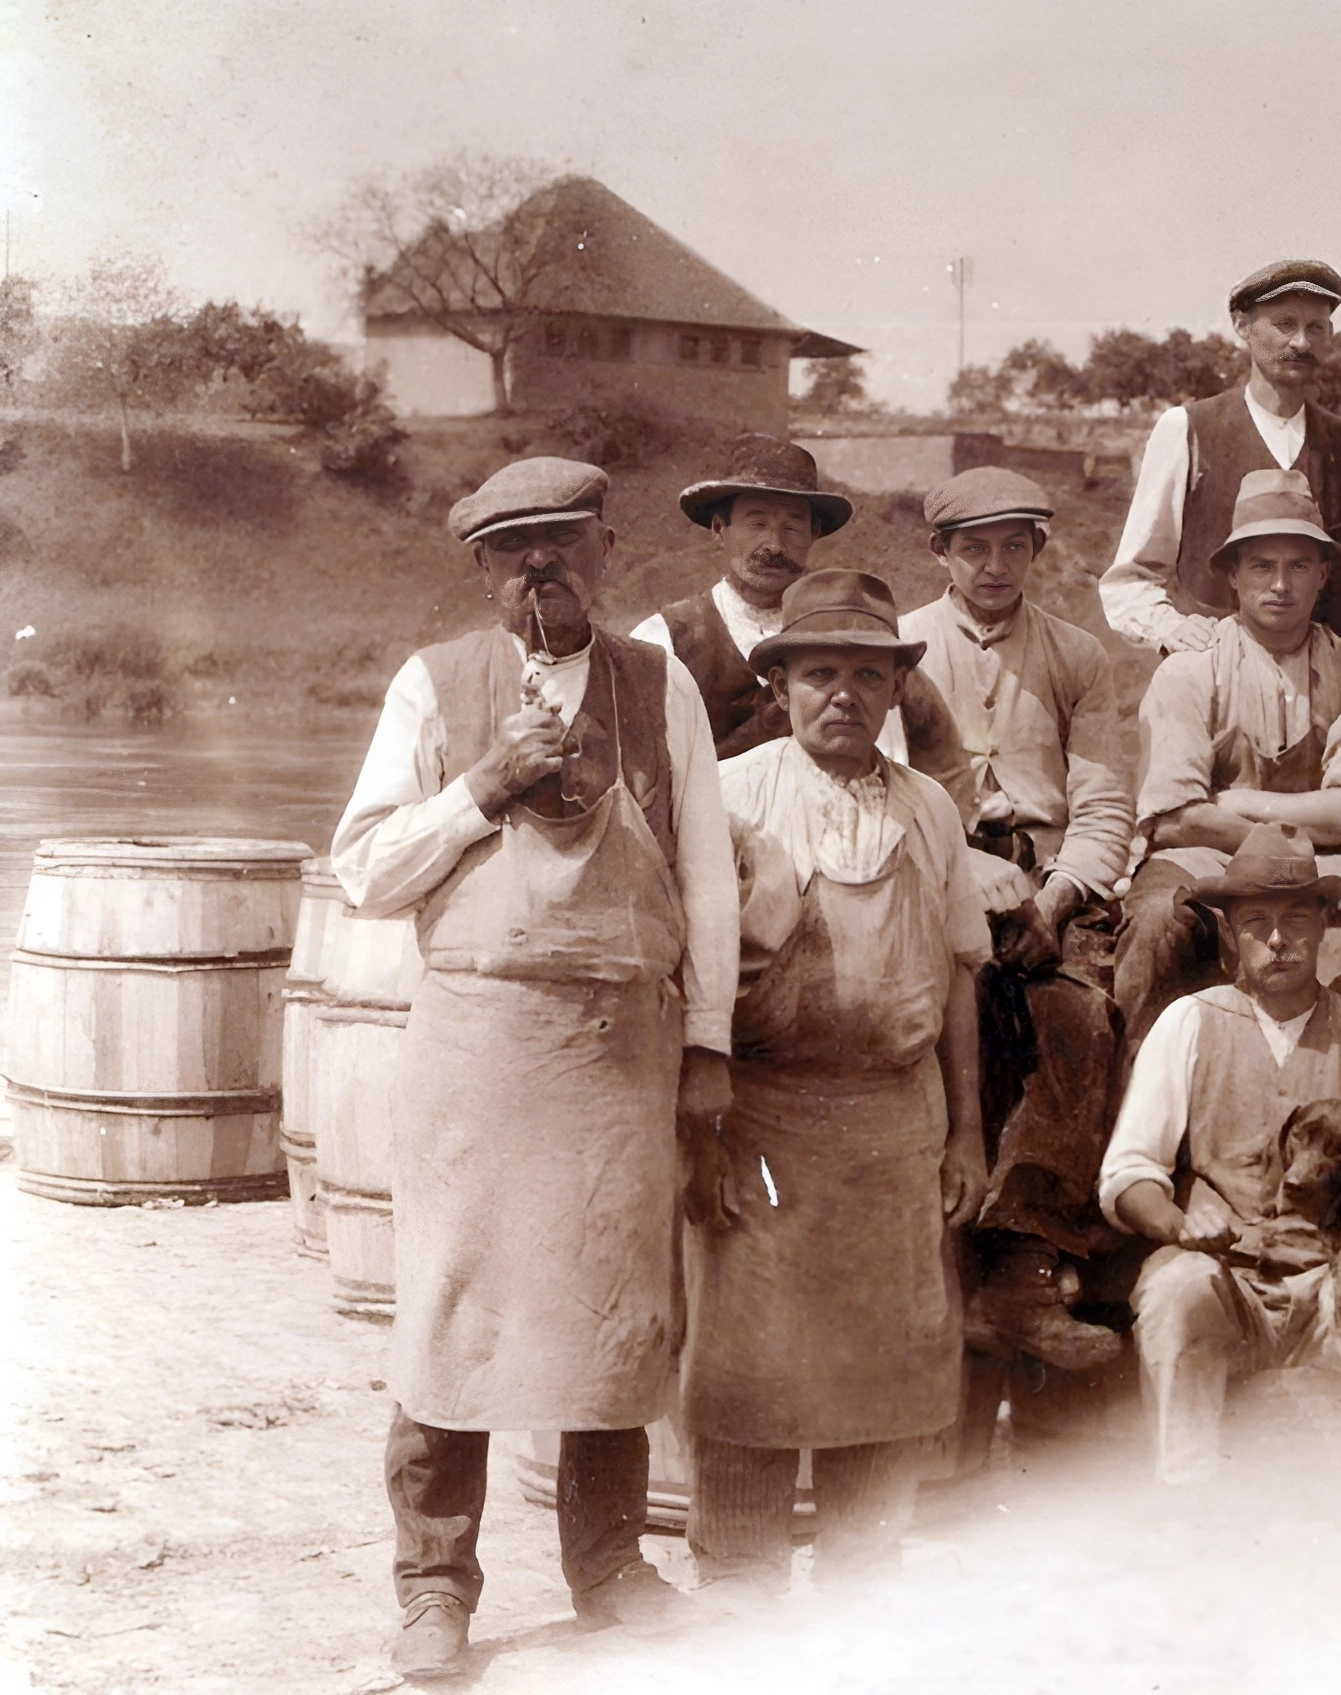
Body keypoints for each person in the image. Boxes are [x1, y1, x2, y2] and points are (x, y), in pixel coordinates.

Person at [332, 458, 737, 1677]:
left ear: (606, 550)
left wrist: (708, 1046)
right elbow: (362, 870)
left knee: (615, 1315)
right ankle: (433, 1583)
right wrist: (481, 788)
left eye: (561, 542)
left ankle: (609, 1564)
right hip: (479, 1042)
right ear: (483, 568)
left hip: (619, 1047)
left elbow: (709, 875)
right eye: (514, 550)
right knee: (450, 1315)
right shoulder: (434, 683)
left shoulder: (661, 685)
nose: (540, 567)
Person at [682, 570, 993, 1592]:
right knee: (750, 1366)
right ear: (779, 683)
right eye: (820, 672)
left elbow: (955, 977)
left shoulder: (931, 809)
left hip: (893, 1128)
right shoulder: (731, 797)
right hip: (763, 1126)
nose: (844, 695)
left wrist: (966, 1134)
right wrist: (701, 1129)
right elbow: (684, 982)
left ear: (899, 687)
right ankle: (741, 1583)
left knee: (887, 1365)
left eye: (869, 673)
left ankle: (864, 1593)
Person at [1096, 823, 1341, 1485]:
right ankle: (1188, 1503)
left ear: (1324, 925)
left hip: (1337, 1280)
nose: (1279, 939)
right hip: (1226, 1278)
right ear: (1229, 933)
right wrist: (1179, 1224)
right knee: (1176, 1291)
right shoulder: (1191, 1022)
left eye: (1296, 919)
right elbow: (1128, 1172)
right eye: (1256, 922)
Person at [1113, 468, 1341, 1098]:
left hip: (1326, 866)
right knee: (1160, 920)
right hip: (1203, 861)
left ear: (1325, 577)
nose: (1280, 584)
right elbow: (1175, 817)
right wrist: (1299, 821)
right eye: (1261, 566)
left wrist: (1243, 802)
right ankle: (1134, 1111)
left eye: (1299, 566)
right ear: (1233, 575)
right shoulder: (1190, 670)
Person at [895, 466, 1133, 1372]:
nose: (994, 565)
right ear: (941, 554)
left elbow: (1105, 802)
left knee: (1073, 1014)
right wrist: (969, 869)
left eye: (1013, 546)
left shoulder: (1078, 654)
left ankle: (1026, 1270)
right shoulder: (900, 647)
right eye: (973, 547)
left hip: (1051, 884)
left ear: (1038, 549)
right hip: (936, 866)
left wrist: (1060, 894)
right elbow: (892, 788)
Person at [1098, 258, 1341, 675]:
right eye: (1284, 324)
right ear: (1242, 326)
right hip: (1216, 681)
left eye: (1316, 327)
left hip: (1325, 688)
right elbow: (1131, 579)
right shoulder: (1188, 429)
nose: (1301, 342)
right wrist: (1171, 628)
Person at [629, 433, 857, 757]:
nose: (775, 545)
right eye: (757, 524)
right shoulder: (665, 640)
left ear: (813, 534)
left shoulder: (845, 631)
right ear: (719, 529)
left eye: (792, 528)